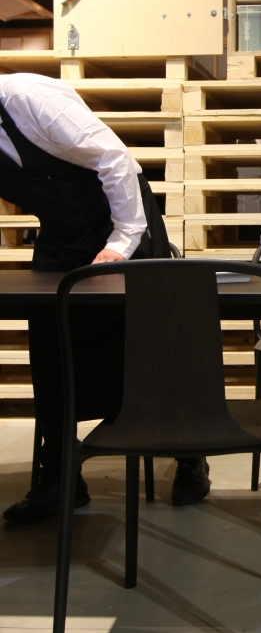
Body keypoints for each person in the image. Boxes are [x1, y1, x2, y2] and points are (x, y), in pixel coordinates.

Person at [0, 73, 209, 525]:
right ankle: (59, 478)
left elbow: (113, 157)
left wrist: (123, 241)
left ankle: (191, 454)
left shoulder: (25, 98)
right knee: (51, 341)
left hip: (121, 215)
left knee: (156, 339)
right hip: (63, 232)